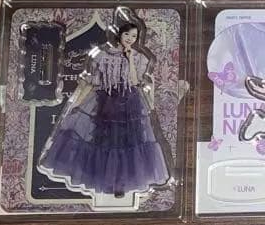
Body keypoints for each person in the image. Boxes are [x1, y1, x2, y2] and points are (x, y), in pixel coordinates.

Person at [40, 21, 170, 198]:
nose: (130, 39)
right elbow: (92, 83)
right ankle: (104, 179)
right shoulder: (102, 56)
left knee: (129, 142)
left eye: (134, 36)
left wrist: (130, 58)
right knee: (103, 140)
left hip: (130, 105)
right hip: (107, 102)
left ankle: (121, 182)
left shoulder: (139, 58)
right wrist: (77, 103)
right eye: (127, 34)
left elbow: (134, 81)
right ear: (119, 34)